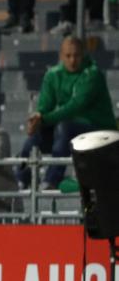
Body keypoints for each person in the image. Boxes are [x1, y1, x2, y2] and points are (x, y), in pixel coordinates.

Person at [16, 37, 116, 190]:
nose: (72, 60)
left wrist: (44, 119)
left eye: (76, 55)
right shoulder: (53, 75)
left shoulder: (92, 74)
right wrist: (37, 118)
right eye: (68, 56)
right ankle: (20, 180)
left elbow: (75, 106)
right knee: (35, 137)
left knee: (64, 128)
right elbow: (44, 106)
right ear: (61, 56)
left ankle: (52, 180)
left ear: (83, 55)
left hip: (100, 131)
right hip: (68, 132)